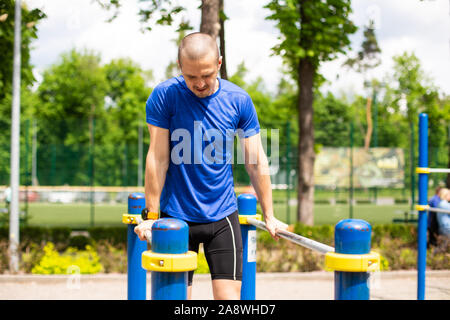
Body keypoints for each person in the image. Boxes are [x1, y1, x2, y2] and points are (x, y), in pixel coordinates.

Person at [134, 32, 288, 300]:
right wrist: (151, 217)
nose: (200, 84)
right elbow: (158, 158)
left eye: (206, 74)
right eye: (191, 77)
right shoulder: (165, 96)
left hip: (222, 216)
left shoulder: (238, 100)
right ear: (180, 67)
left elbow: (255, 160)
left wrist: (270, 214)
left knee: (229, 300)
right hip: (176, 217)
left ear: (219, 63)